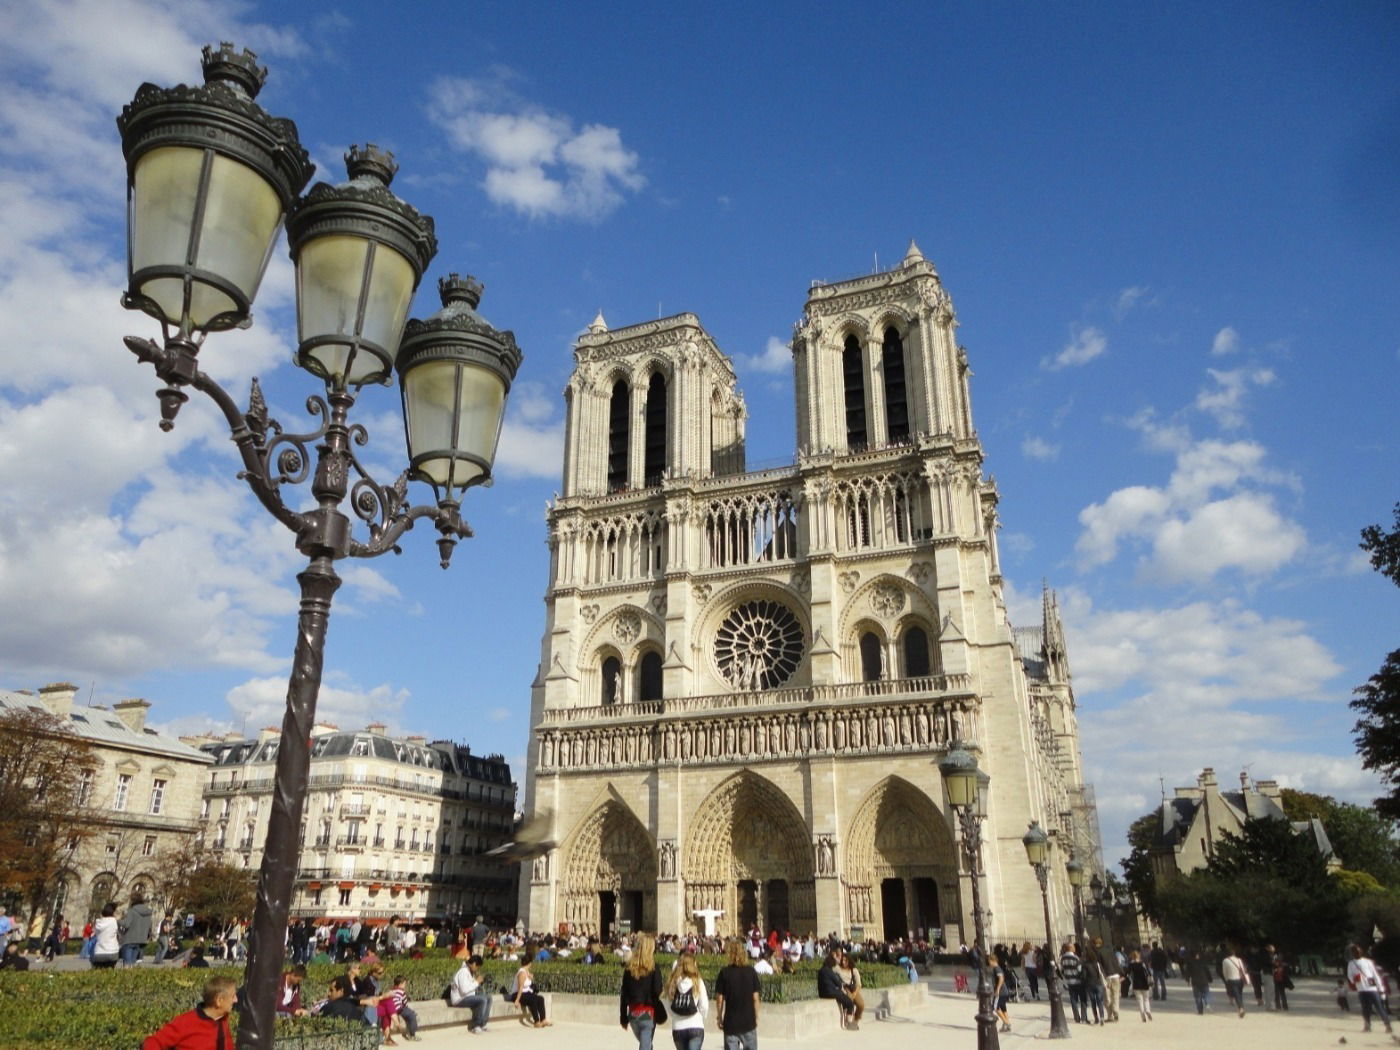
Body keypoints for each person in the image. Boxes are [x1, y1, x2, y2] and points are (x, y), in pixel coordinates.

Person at [140, 974, 237, 1049]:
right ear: (219, 1001)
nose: (236, 1000)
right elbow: (153, 1042)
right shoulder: (186, 1022)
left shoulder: (222, 1020)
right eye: (233, 996)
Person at [620, 931, 667, 1050]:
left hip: (633, 1014)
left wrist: (623, 1018)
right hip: (648, 1013)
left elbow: (624, 994)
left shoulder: (629, 969)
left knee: (646, 1044)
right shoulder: (653, 968)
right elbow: (657, 990)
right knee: (646, 1046)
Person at [715, 937, 761, 1050]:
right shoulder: (751, 971)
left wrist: (719, 1017)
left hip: (731, 1022)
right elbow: (755, 998)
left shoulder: (724, 972)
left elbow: (720, 999)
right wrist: (756, 1016)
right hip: (748, 1021)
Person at [664, 950, 710, 1050]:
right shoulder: (697, 981)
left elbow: (668, 1004)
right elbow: (704, 1005)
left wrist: (676, 1015)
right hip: (695, 1024)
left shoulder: (673, 982)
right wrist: (701, 1016)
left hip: (678, 1026)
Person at [1347, 944, 1393, 1034]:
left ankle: (1388, 1025)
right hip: (1361, 989)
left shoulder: (1368, 962)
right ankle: (1367, 1026)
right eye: (1355, 951)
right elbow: (1350, 976)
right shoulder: (1351, 964)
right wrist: (1354, 979)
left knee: (1380, 1007)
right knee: (1365, 1009)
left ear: (1361, 951)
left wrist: (1381, 989)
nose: (1357, 952)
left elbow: (1375, 975)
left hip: (1372, 989)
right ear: (1352, 953)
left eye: (1358, 951)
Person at [450, 954, 493, 1032]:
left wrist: (477, 982)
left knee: (489, 998)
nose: (477, 969)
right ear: (473, 964)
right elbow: (464, 990)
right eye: (477, 967)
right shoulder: (463, 972)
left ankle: (482, 1023)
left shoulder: (469, 972)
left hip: (467, 997)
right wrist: (476, 982)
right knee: (482, 1000)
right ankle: (475, 1025)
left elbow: (469, 987)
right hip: (459, 999)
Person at [817, 950, 856, 1028]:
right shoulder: (829, 971)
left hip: (822, 993)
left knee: (844, 1001)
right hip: (831, 993)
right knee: (850, 1003)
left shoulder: (821, 970)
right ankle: (849, 1022)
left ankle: (846, 1018)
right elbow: (838, 983)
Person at [511, 953, 550, 1026]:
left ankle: (543, 1019)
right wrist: (517, 1000)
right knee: (533, 1000)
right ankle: (536, 1021)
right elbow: (520, 987)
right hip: (518, 994)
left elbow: (526, 985)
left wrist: (530, 978)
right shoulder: (522, 972)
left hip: (526, 993)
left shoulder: (526, 971)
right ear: (529, 963)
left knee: (540, 998)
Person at [119, 894, 154, 966]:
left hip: (130, 939)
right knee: (132, 962)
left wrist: (118, 920)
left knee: (127, 963)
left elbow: (126, 924)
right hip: (141, 940)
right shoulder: (148, 912)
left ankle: (125, 976)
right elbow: (150, 926)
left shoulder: (132, 911)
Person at [835, 948, 865, 1029]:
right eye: (843, 960)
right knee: (849, 1000)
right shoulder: (837, 968)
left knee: (861, 1005)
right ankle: (848, 1021)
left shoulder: (854, 970)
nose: (843, 962)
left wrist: (855, 993)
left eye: (846, 960)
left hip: (853, 989)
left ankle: (855, 1020)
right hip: (844, 988)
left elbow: (858, 984)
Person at [1058, 942, 1086, 1023]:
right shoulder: (1076, 958)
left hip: (1069, 981)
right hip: (1078, 981)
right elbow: (1079, 970)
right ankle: (1084, 1018)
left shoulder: (1062, 958)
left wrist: (1066, 975)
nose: (1074, 948)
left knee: (1073, 1000)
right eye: (1073, 947)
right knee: (1083, 1000)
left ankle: (1076, 1018)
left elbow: (1062, 970)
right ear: (1070, 948)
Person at [1221, 947, 1249, 1018]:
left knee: (1236, 995)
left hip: (1231, 979)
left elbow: (1224, 972)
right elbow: (1243, 969)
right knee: (1239, 994)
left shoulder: (1225, 961)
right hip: (1240, 980)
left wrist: (1226, 979)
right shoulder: (1239, 959)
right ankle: (1241, 1008)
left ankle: (1241, 1009)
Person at [92, 901, 121, 968]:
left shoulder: (98, 923)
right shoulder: (114, 922)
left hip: (99, 952)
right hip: (112, 951)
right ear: (113, 913)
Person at [1126, 949, 1152, 1021]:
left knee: (1139, 1000)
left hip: (1136, 983)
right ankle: (1148, 1011)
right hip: (1144, 983)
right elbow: (1148, 972)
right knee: (1146, 999)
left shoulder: (1131, 964)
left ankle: (1142, 1014)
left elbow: (1127, 973)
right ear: (1138, 956)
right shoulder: (1142, 963)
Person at [1185, 949, 1213, 1014]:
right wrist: (1210, 979)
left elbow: (1188, 973)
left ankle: (1200, 1010)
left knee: (1197, 996)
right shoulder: (1203, 962)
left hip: (1195, 981)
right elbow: (1207, 971)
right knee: (1206, 993)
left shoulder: (1190, 963)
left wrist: (1188, 980)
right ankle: (1207, 1002)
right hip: (1204, 980)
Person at [992, 951, 1013, 1033]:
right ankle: (1007, 1023)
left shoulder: (996, 968)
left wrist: (997, 989)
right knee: (1003, 1007)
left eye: (989, 961)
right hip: (1004, 991)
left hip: (1000, 991)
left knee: (995, 1007)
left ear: (992, 961)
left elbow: (1001, 978)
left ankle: (1006, 1022)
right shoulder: (997, 968)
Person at [1269, 946, 1291, 1011]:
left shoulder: (1276, 963)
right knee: (1281, 993)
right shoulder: (1282, 963)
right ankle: (1284, 1006)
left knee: (1278, 993)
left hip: (1278, 979)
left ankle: (1279, 1006)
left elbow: (1273, 970)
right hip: (1279, 979)